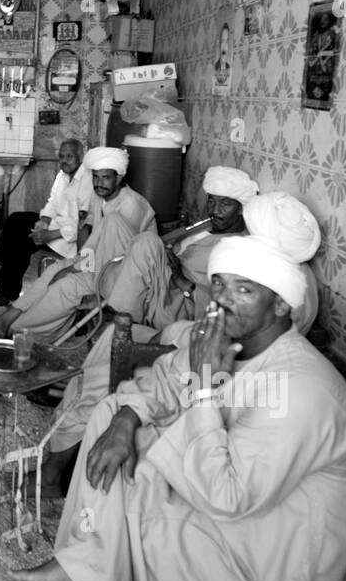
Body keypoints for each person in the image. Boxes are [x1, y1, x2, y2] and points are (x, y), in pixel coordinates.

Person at [12, 216, 346, 581]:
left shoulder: (302, 389)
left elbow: (227, 497)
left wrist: (202, 388)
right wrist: (129, 417)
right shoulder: (228, 338)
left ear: (282, 304)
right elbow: (164, 378)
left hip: (279, 564)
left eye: (244, 289)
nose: (222, 298)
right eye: (220, 283)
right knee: (115, 423)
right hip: (246, 509)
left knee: (146, 516)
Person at [39, 189, 322, 497]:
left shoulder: (287, 287)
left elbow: (231, 350)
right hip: (199, 335)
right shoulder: (262, 271)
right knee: (111, 339)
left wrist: (180, 343)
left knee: (103, 378)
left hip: (216, 363)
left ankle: (53, 474)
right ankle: (66, 439)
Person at [0, 147, 155, 342]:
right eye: (95, 177)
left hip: (121, 273)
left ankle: (17, 330)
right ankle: (6, 318)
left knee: (65, 286)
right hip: (99, 260)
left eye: (105, 178)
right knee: (52, 272)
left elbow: (121, 257)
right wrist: (77, 260)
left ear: (118, 178)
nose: (99, 183)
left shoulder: (131, 206)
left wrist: (76, 269)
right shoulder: (100, 196)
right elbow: (88, 227)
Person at [104, 165, 259, 328]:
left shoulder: (238, 247)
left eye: (225, 204)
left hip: (176, 304)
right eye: (211, 201)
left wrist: (180, 278)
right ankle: (101, 289)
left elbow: (223, 300)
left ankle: (120, 323)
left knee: (146, 242)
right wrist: (171, 248)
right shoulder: (207, 226)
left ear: (241, 208)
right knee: (114, 222)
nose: (215, 210)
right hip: (163, 280)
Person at [0, 138, 91, 305]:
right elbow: (52, 202)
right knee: (16, 220)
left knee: (22, 239)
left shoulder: (87, 181)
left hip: (69, 240)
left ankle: (5, 290)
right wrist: (43, 221)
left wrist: (48, 234)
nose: (64, 161)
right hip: (54, 227)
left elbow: (83, 226)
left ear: (80, 156)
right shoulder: (63, 175)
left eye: (69, 156)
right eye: (61, 156)